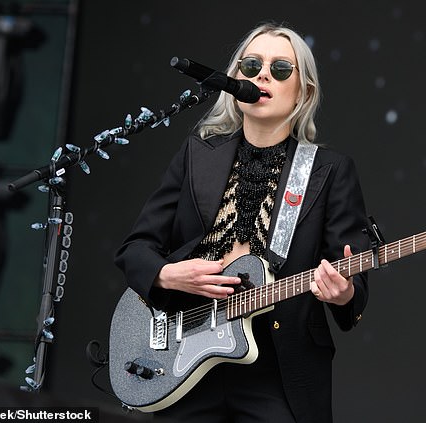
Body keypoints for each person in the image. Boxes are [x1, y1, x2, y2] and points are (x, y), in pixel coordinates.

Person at [114, 21, 370, 423]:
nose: (262, 75)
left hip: (278, 371)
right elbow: (136, 250)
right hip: (187, 363)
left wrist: (342, 293)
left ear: (304, 91)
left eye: (280, 69)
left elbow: (352, 281)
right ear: (233, 81)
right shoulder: (197, 155)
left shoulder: (329, 171)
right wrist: (168, 275)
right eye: (251, 66)